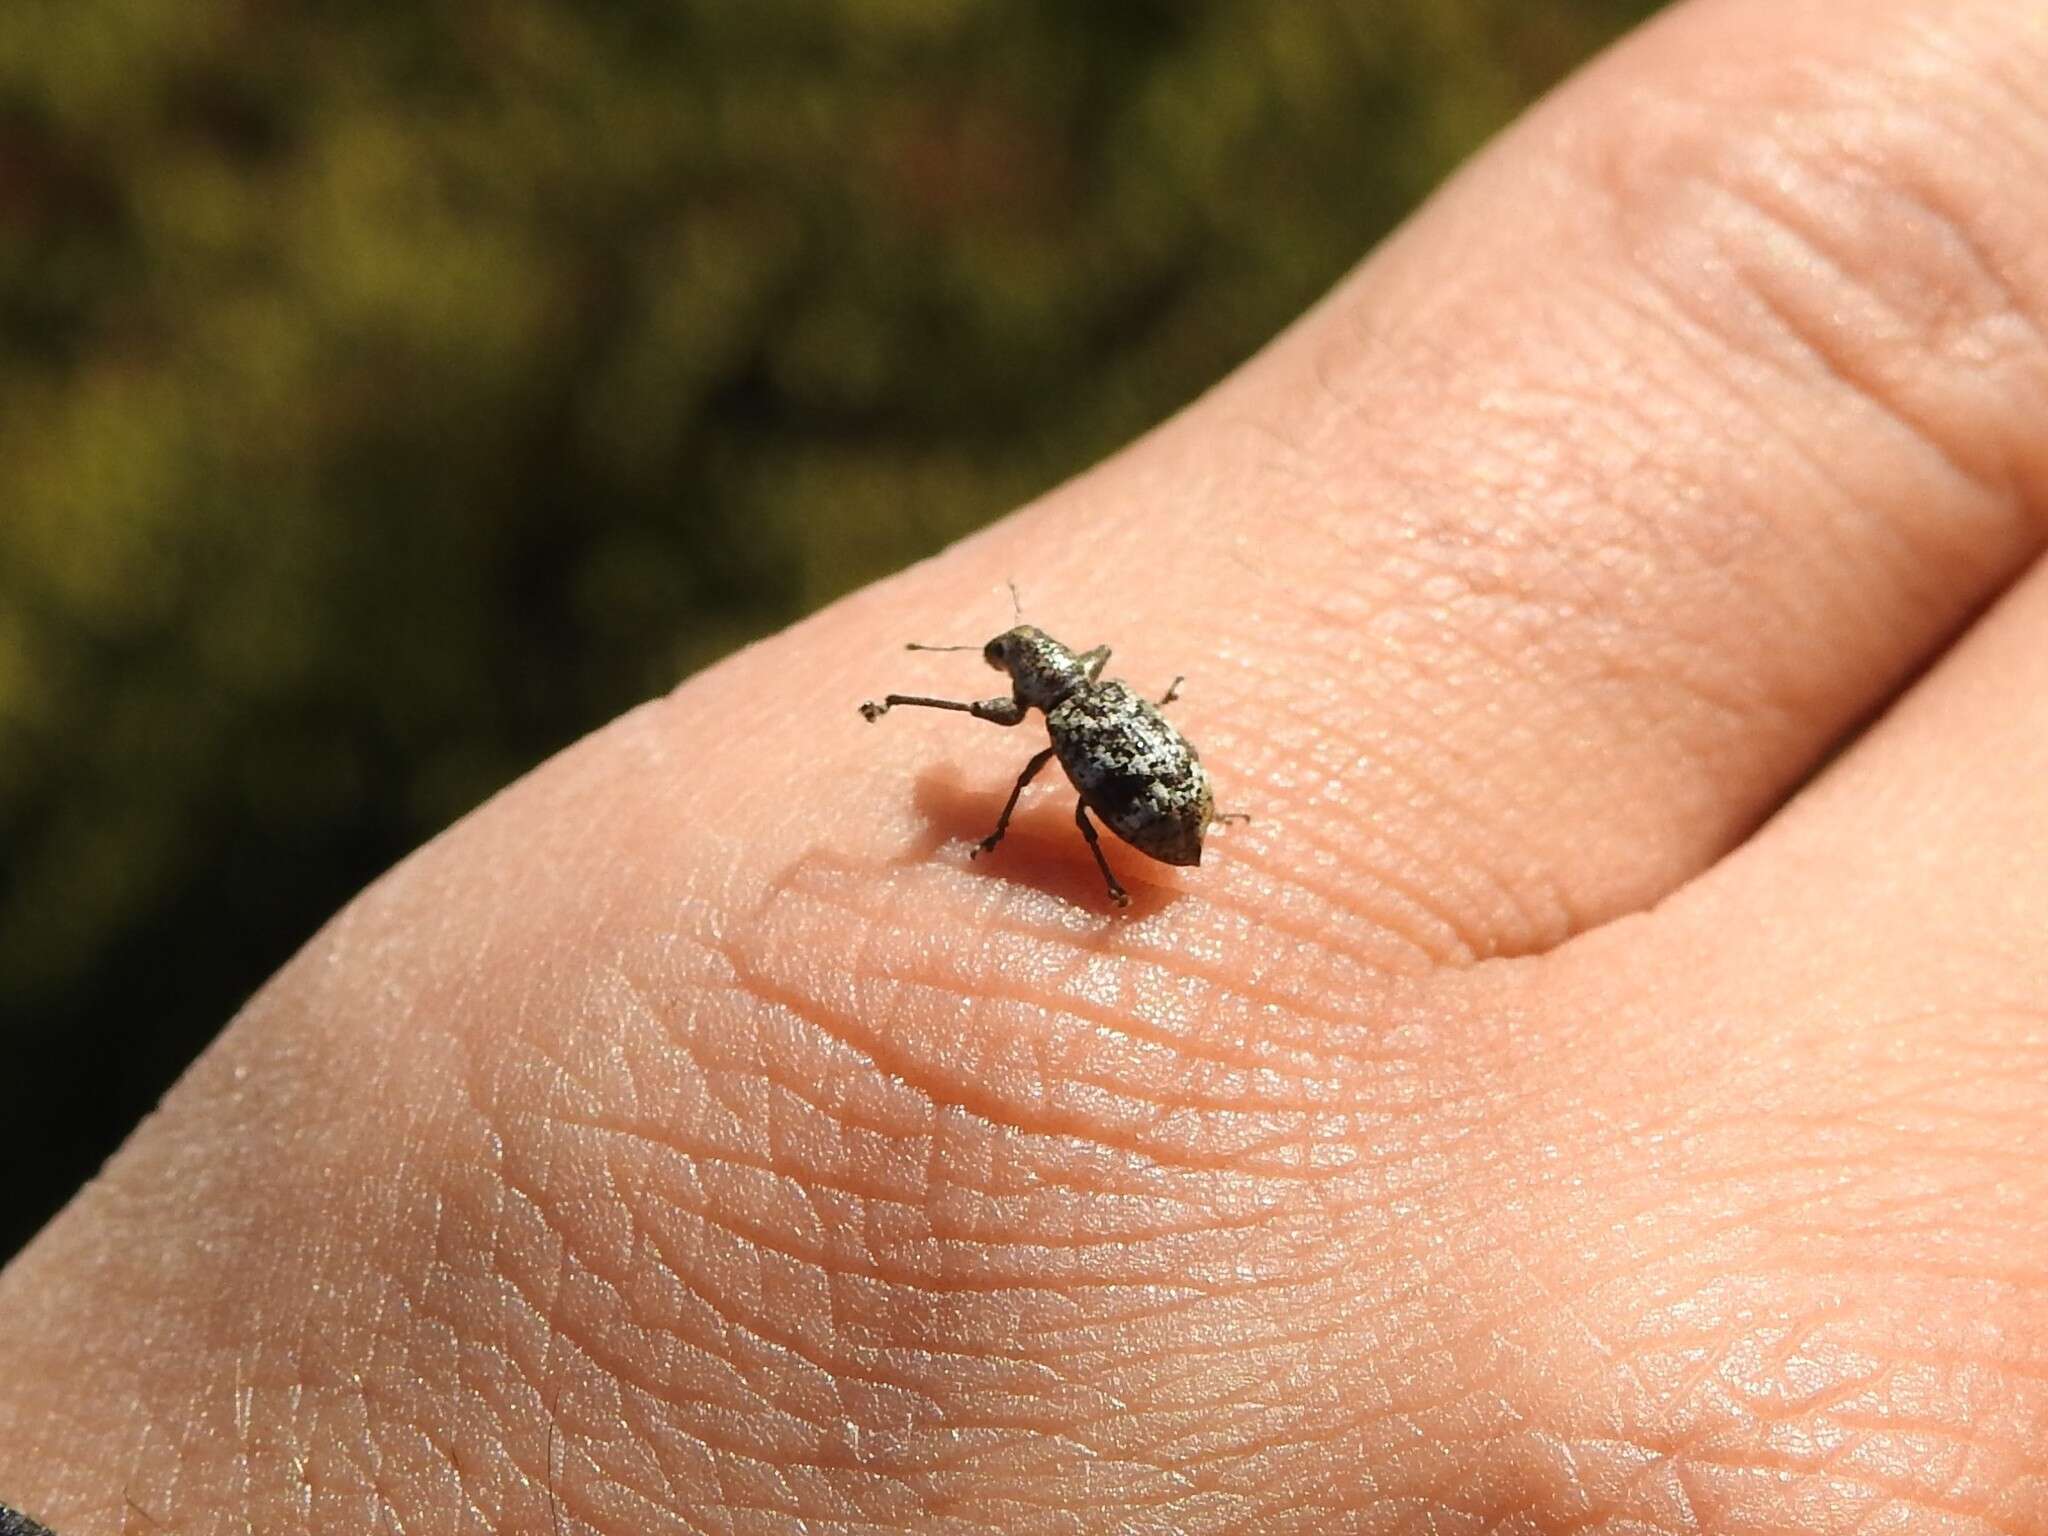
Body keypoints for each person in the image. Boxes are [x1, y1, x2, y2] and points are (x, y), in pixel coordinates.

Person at [5, 0, 2047, 1528]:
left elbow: (1083, 779)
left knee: (1058, 824)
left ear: (1058, 683)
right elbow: (1075, 762)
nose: (1020, 688)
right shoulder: (1070, 716)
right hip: (1160, 802)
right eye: (1020, 677)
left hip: (1156, 810)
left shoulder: (1076, 740)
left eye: (1020, 675)